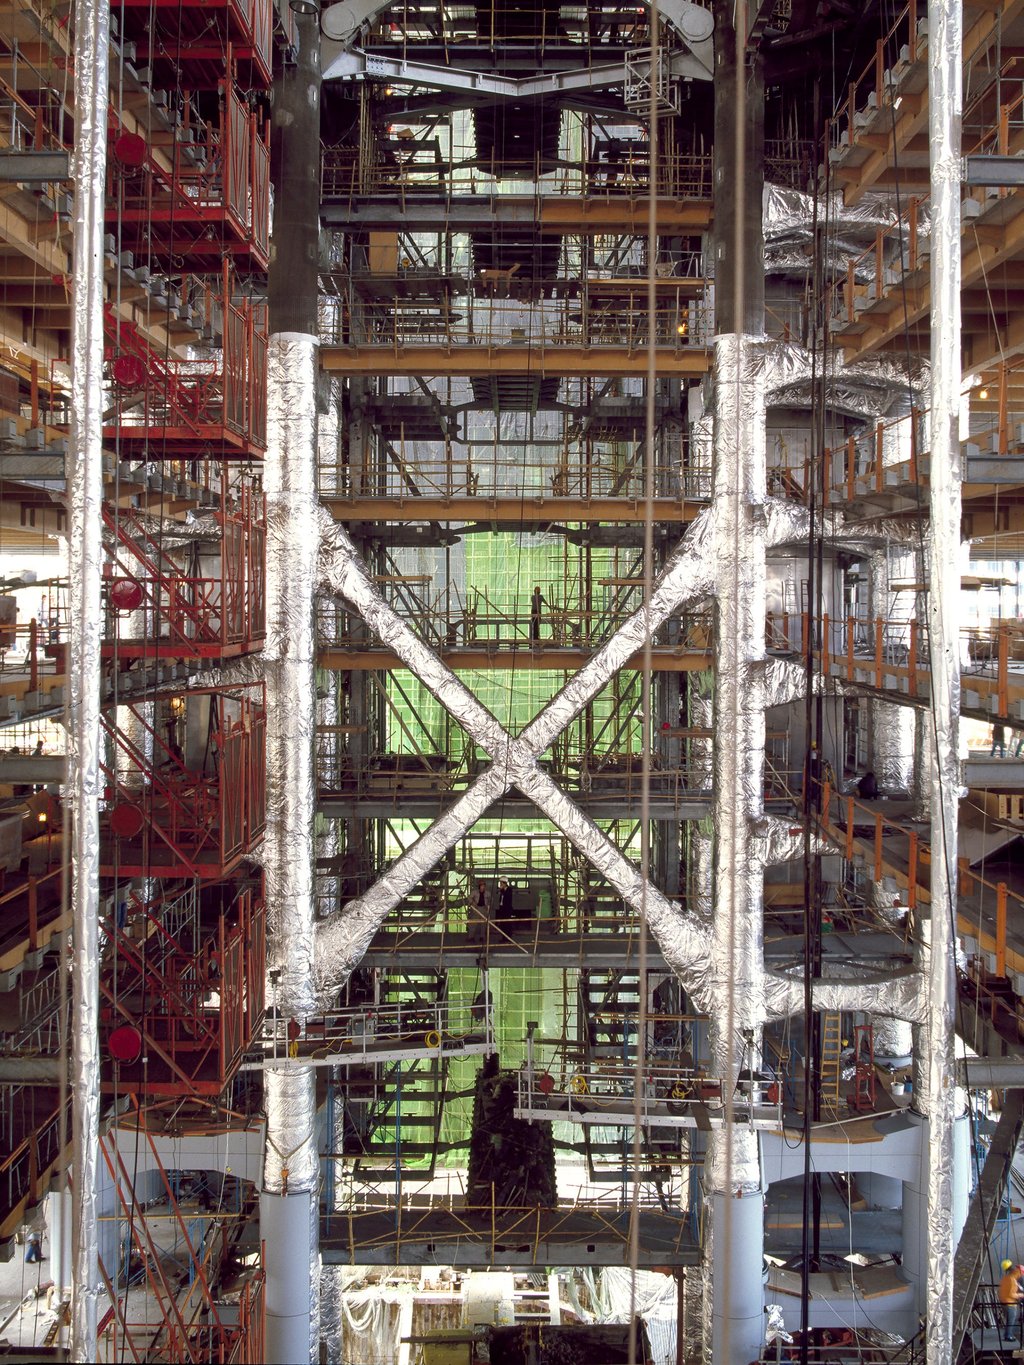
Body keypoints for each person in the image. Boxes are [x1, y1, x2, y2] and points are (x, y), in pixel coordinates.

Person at [999, 1260, 1023, 1340]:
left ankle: (1008, 1334)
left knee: (1010, 1320)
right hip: (1010, 1303)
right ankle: (1008, 1336)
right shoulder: (1012, 1280)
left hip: (1004, 1302)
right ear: (1018, 1273)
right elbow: (1011, 1294)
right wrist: (1021, 1295)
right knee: (1011, 1320)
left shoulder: (1006, 1278)